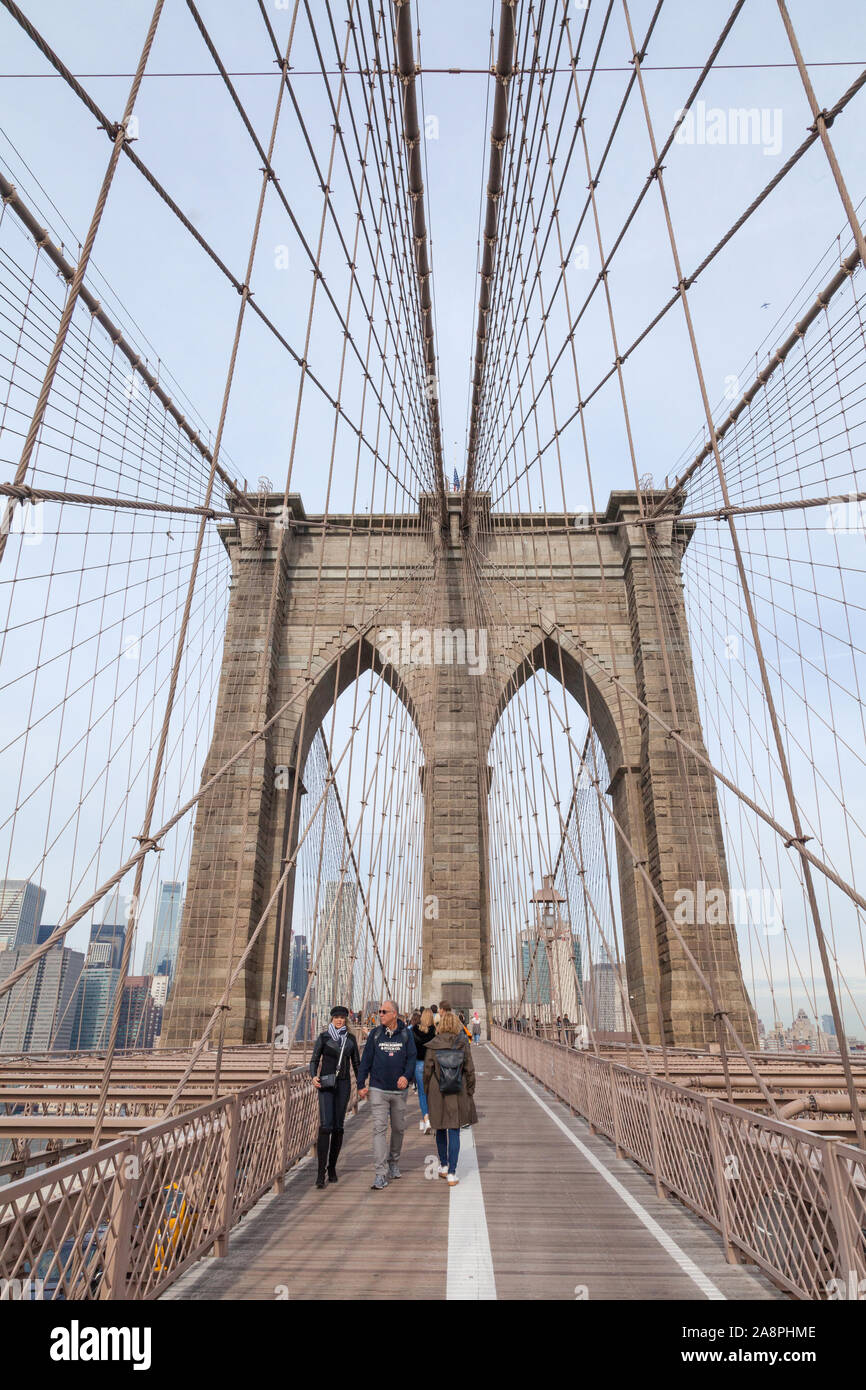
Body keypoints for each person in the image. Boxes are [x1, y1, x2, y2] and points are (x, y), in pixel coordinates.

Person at [357, 1000, 417, 1190]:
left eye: (384, 1011)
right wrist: (361, 1084)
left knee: (398, 1128)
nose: (380, 1014)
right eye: (379, 1011)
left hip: (399, 1090)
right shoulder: (375, 1035)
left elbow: (412, 1059)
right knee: (379, 1129)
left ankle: (393, 1162)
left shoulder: (406, 1035)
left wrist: (406, 1076)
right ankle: (380, 1173)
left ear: (394, 1014)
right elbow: (365, 1060)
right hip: (378, 1088)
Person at [424, 1004, 477, 1186]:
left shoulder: (433, 1045)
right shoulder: (462, 1044)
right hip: (457, 1091)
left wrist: (427, 1091)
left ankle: (444, 1166)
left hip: (437, 1092)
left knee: (440, 1127)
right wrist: (470, 1090)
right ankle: (453, 1173)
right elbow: (470, 1069)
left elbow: (427, 1071)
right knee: (454, 1129)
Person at [310, 1005, 361, 1190]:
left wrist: (362, 1085)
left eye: (342, 1017)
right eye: (336, 1017)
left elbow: (356, 1063)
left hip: (344, 1085)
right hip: (325, 1084)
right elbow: (314, 1059)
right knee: (326, 1126)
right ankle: (320, 1173)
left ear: (346, 1019)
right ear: (331, 1018)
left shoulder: (350, 1039)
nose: (339, 1020)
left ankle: (332, 1168)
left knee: (338, 1127)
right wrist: (312, 1075)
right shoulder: (323, 1037)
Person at [411, 1008, 436, 1133]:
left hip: (419, 1064)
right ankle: (433, 1117)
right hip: (432, 1065)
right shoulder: (435, 1031)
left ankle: (427, 1120)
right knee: (432, 1092)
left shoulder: (414, 1030)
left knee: (422, 1093)